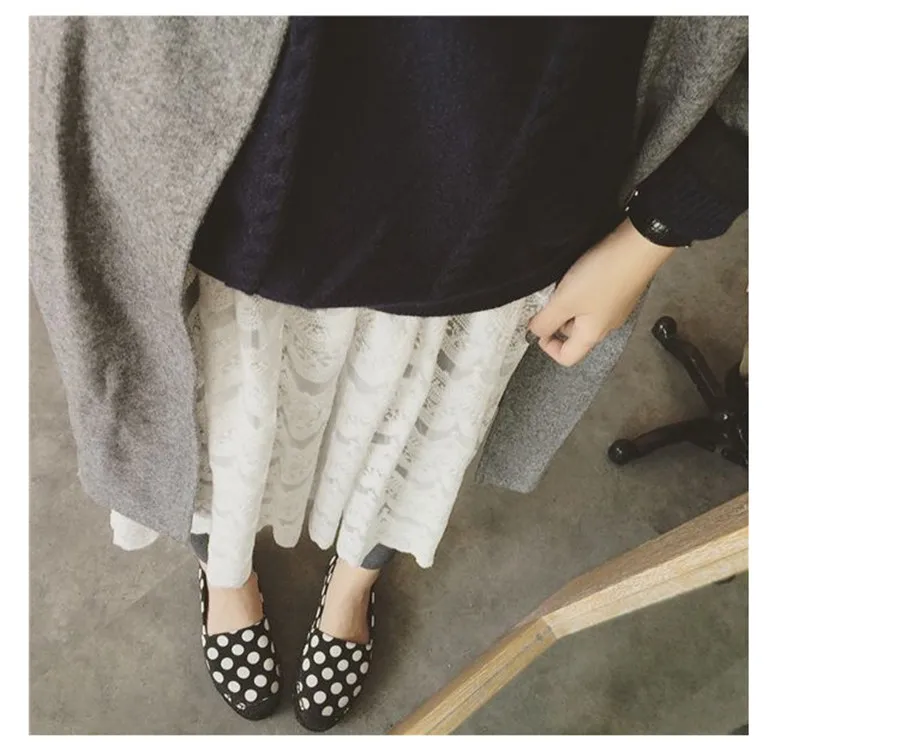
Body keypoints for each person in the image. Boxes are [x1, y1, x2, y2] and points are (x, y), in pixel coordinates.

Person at [29, 16, 748, 731]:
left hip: (508, 163)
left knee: (419, 420)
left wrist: (669, 218)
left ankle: (355, 580)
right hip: (207, 138)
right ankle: (226, 570)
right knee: (209, 409)